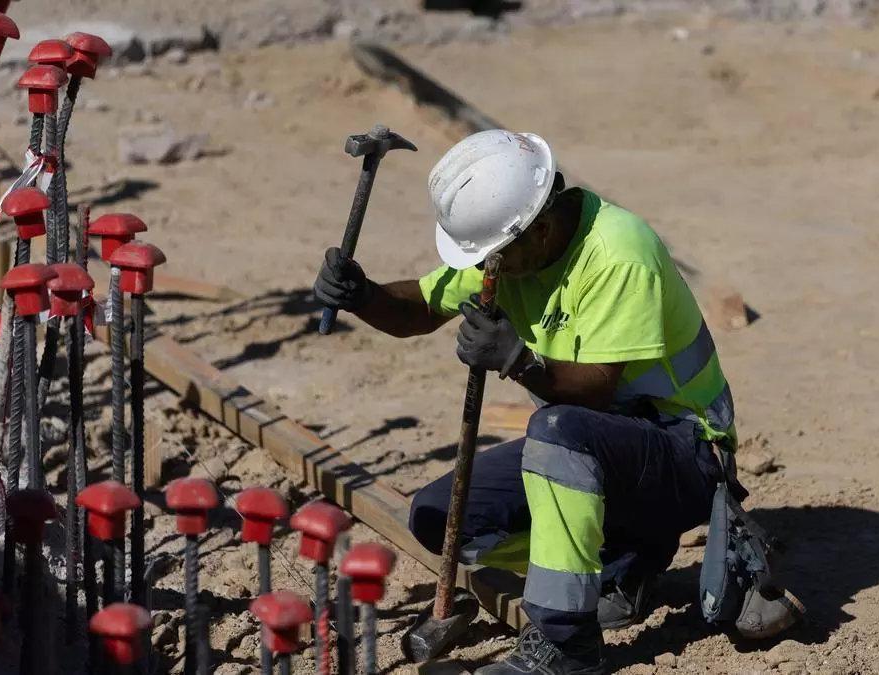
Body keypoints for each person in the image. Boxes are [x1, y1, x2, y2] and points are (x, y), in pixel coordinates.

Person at [313, 129, 737, 674]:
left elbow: (597, 390)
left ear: (539, 228)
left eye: (495, 256)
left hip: (685, 455)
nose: (486, 269)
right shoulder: (510, 252)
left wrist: (519, 361)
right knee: (442, 520)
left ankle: (567, 644)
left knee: (558, 431)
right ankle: (620, 563)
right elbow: (419, 307)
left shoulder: (618, 254)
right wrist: (364, 295)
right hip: (590, 455)